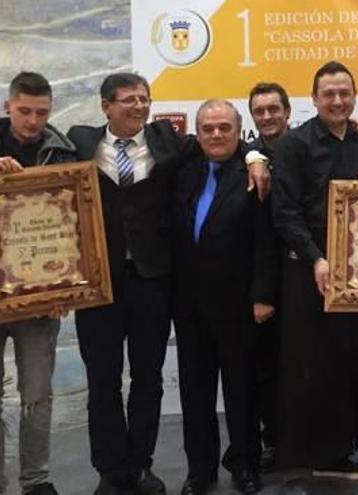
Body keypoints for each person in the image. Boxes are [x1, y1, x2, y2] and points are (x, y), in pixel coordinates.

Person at [67, 73, 268, 495]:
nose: (138, 107)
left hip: (152, 282)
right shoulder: (79, 140)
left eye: (144, 99)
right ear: (106, 106)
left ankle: (140, 465)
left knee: (148, 379)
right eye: (128, 100)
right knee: (102, 382)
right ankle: (110, 469)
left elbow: (225, 140)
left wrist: (253, 156)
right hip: (99, 284)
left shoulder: (167, 142)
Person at [271, 60, 358, 480]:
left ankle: (343, 448)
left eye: (344, 93)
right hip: (311, 271)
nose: (338, 101)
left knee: (352, 359)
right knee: (315, 364)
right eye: (329, 94)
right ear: (314, 99)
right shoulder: (294, 145)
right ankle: (321, 456)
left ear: (354, 96)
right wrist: (316, 258)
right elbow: (284, 214)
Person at [171, 100, 278, 495]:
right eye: (207, 128)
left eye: (224, 128)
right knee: (194, 393)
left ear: (239, 131)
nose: (216, 135)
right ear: (197, 134)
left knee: (241, 392)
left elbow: (267, 240)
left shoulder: (256, 174)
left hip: (240, 303)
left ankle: (246, 464)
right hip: (189, 305)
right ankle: (200, 470)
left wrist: (263, 295)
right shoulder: (182, 171)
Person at [0, 71, 77, 495]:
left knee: (36, 395)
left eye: (42, 113)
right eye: (24, 111)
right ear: (8, 106)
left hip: (38, 297)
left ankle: (36, 480)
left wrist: (69, 285)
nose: (32, 121)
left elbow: (74, 229)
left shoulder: (62, 152)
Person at [245, 81, 290, 471]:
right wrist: (253, 158)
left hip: (305, 271)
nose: (267, 116)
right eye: (259, 111)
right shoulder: (245, 154)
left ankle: (305, 438)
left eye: (273, 109)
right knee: (266, 368)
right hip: (263, 277)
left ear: (288, 111)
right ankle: (273, 440)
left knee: (306, 363)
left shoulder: (307, 145)